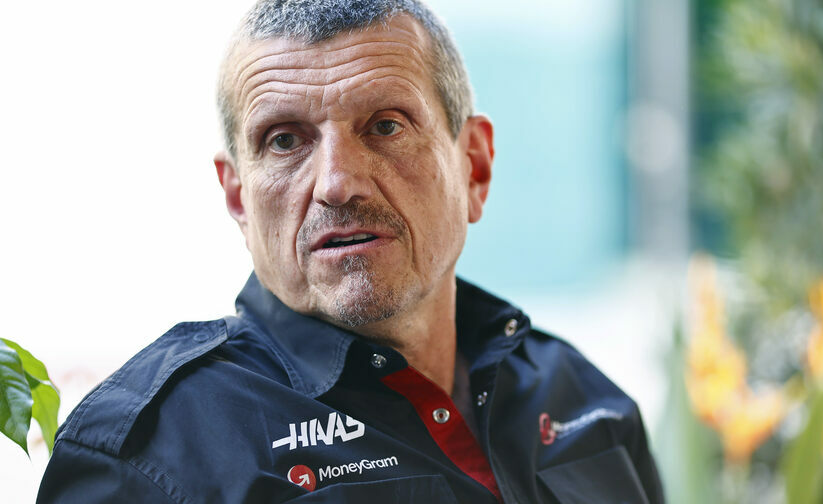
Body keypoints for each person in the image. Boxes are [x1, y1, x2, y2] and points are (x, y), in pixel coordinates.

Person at [37, 1, 664, 502]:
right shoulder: (148, 459)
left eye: (386, 126)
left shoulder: (582, 399)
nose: (337, 183)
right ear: (238, 198)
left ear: (474, 166)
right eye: (285, 141)